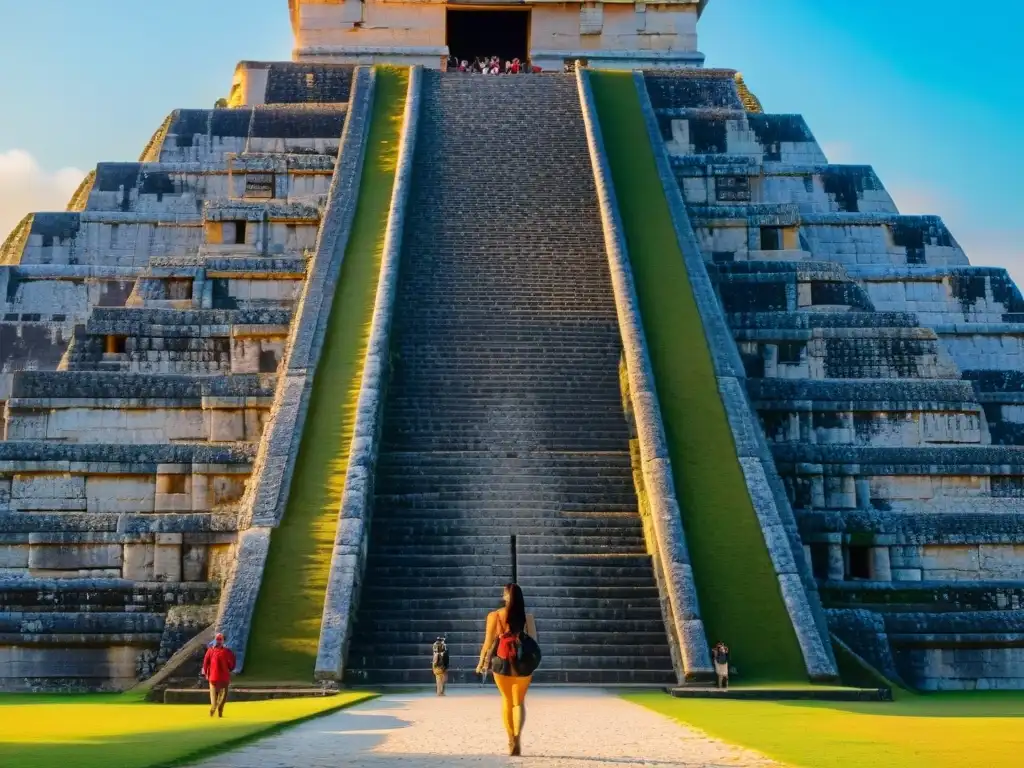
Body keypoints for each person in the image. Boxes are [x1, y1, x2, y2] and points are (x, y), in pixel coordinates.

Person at [476, 583, 541, 756]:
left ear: (506, 597)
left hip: (502, 663)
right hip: (523, 665)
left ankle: (511, 738)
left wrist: (481, 662)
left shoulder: (495, 616)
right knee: (518, 702)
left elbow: (488, 643)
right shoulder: (528, 618)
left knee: (506, 700)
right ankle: (518, 737)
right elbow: (533, 642)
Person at [202, 632, 236, 718]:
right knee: (220, 698)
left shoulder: (214, 651)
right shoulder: (224, 652)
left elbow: (205, 663)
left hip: (218, 678)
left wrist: (206, 672)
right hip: (219, 678)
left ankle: (216, 711)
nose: (218, 641)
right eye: (218, 639)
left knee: (218, 698)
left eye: (219, 639)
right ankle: (217, 712)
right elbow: (232, 665)